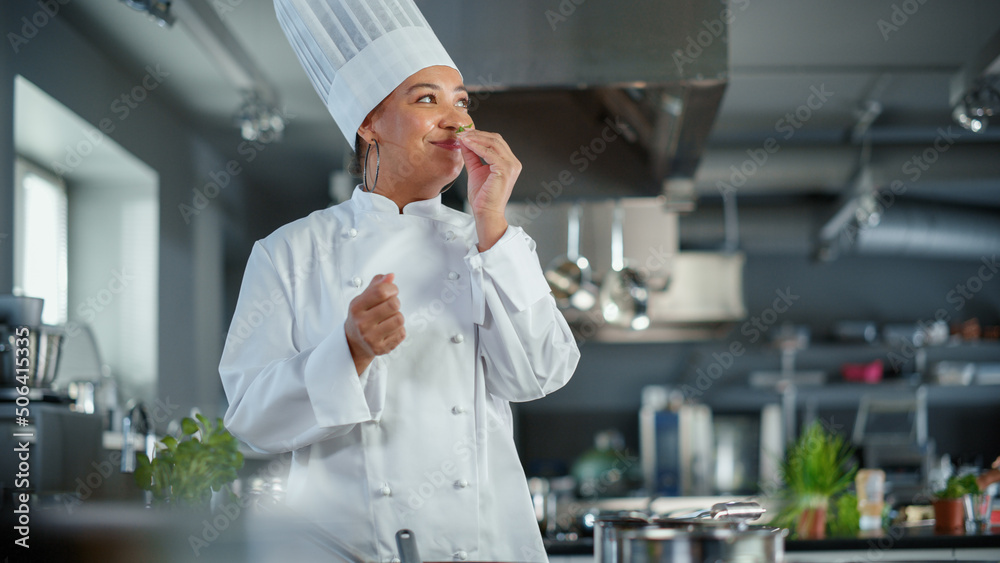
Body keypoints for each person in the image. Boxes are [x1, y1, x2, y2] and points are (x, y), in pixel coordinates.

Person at [218, 1, 581, 561]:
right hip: (346, 548)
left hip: (484, 548)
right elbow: (250, 420)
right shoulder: (290, 253)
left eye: (462, 102)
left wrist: (492, 227)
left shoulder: (496, 243)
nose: (457, 120)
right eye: (427, 99)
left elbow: (542, 374)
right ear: (368, 122)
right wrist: (349, 352)